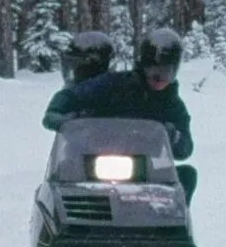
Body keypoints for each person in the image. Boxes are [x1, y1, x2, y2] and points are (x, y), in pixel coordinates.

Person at [42, 27, 197, 204]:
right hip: (95, 162)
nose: (160, 78)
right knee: (64, 175)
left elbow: (186, 147)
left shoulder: (173, 106)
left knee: (187, 176)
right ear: (143, 65)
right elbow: (75, 94)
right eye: (154, 71)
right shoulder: (115, 84)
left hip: (144, 172)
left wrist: (174, 136)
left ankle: (172, 226)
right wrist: (57, 113)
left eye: (167, 72)